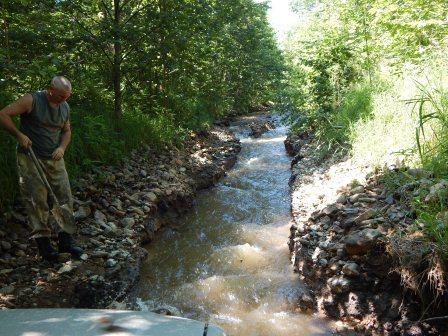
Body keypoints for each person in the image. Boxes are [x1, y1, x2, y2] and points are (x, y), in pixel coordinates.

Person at [0, 76, 82, 262]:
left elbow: (66, 131)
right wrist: (19, 135)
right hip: (30, 158)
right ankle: (45, 248)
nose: (64, 100)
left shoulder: (65, 107)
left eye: (67, 97)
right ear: (50, 90)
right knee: (37, 201)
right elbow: (2, 114)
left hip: (54, 159)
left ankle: (65, 241)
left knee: (64, 197)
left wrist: (62, 148)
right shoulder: (32, 100)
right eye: (61, 96)